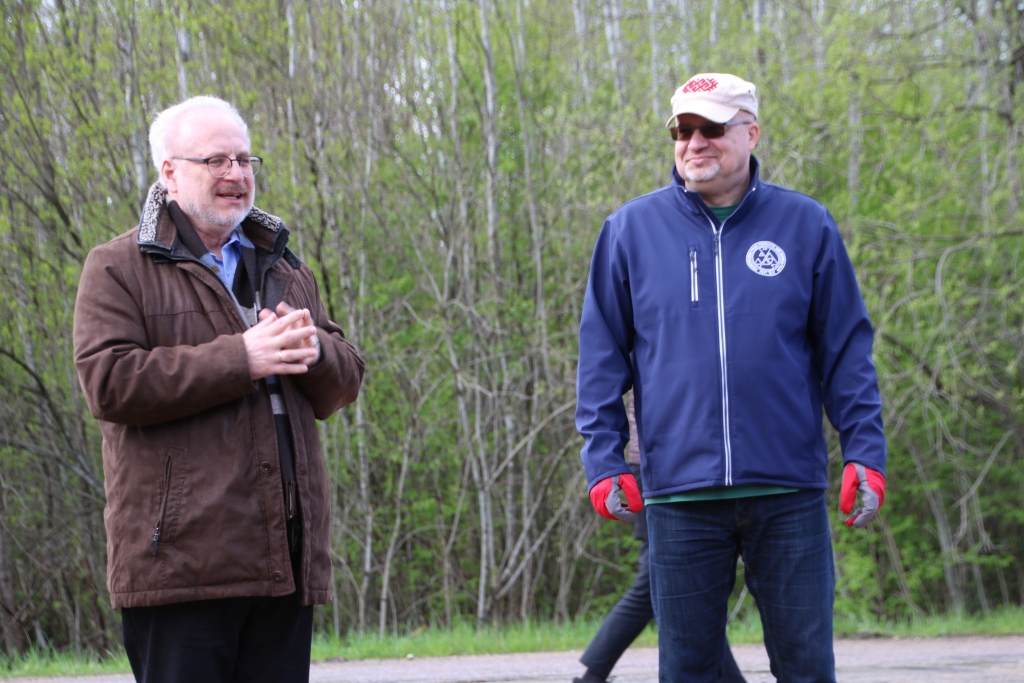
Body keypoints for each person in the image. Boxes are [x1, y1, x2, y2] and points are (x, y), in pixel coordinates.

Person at [575, 73, 888, 683]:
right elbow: (600, 360)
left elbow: (847, 351)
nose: (694, 142)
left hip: (787, 492)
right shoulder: (628, 233)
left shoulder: (807, 226)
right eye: (682, 130)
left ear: (750, 132)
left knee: (806, 668)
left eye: (711, 128)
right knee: (689, 670)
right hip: (679, 497)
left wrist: (865, 452)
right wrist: (605, 461)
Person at [73, 96, 365, 683]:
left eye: (243, 159)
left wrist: (313, 353)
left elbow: (343, 385)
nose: (236, 174)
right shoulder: (116, 268)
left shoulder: (281, 266)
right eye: (215, 161)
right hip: (181, 570)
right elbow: (110, 383)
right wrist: (242, 357)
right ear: (170, 172)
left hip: (283, 564)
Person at [576, 392, 746, 683]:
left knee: (695, 587)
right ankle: (593, 673)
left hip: (686, 466)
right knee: (654, 583)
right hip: (657, 466)